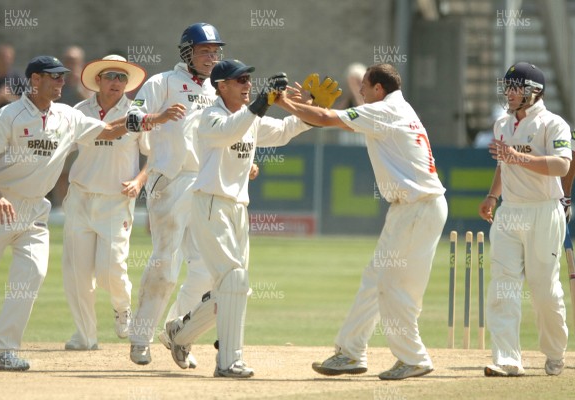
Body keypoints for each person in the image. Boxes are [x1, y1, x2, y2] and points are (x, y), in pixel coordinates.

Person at [0, 55, 184, 371]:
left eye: (62, 77)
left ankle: (2, 350)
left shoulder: (66, 116)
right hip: (1, 207)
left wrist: (154, 118)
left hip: (36, 212)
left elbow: (110, 130)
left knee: (32, 276)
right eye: (54, 77)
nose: (61, 83)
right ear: (34, 80)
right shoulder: (10, 115)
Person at [273, 63, 447, 380]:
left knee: (394, 287)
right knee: (374, 280)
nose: (360, 93)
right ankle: (351, 353)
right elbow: (325, 118)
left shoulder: (384, 110)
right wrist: (305, 107)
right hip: (411, 208)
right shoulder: (395, 107)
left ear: (378, 89)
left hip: (418, 207)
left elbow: (326, 120)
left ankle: (414, 358)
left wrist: (283, 102)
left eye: (364, 87)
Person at [165, 59, 311, 378]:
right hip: (210, 205)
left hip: (238, 209)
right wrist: (261, 103)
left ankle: (180, 333)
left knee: (233, 289)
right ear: (221, 86)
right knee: (234, 279)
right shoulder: (209, 117)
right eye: (240, 79)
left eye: (249, 79)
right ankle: (229, 362)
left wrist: (311, 114)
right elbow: (230, 131)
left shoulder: (251, 118)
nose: (247, 84)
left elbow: (285, 131)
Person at [126, 22, 226, 366]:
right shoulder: (163, 82)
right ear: (187, 52)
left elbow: (226, 131)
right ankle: (140, 337)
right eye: (204, 51)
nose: (211, 57)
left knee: (205, 270)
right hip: (170, 180)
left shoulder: (218, 88)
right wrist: (158, 116)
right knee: (166, 263)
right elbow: (130, 119)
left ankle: (177, 332)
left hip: (206, 181)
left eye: (215, 51)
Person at [478, 62, 570, 377]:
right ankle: (507, 358)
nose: (509, 93)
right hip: (509, 211)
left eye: (516, 87)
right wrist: (492, 196)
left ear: (534, 91)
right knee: (503, 285)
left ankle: (555, 352)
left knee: (544, 288)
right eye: (507, 87)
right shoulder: (502, 123)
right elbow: (503, 165)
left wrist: (517, 156)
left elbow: (561, 166)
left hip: (544, 210)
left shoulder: (553, 124)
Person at [62, 55, 148, 351]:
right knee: (78, 275)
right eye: (111, 76)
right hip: (81, 198)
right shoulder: (79, 111)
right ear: (98, 80)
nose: (116, 82)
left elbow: (156, 155)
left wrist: (139, 180)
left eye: (122, 78)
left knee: (110, 269)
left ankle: (123, 308)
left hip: (116, 201)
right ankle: (85, 336)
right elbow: (61, 150)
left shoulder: (138, 113)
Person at [51, 46, 91, 208]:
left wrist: (78, 86)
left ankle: (79, 208)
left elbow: (92, 102)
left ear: (81, 63)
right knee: (60, 172)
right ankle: (61, 209)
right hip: (59, 134)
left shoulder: (87, 81)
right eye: (67, 61)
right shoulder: (56, 81)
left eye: (73, 61)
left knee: (82, 175)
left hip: (82, 135)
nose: (70, 64)